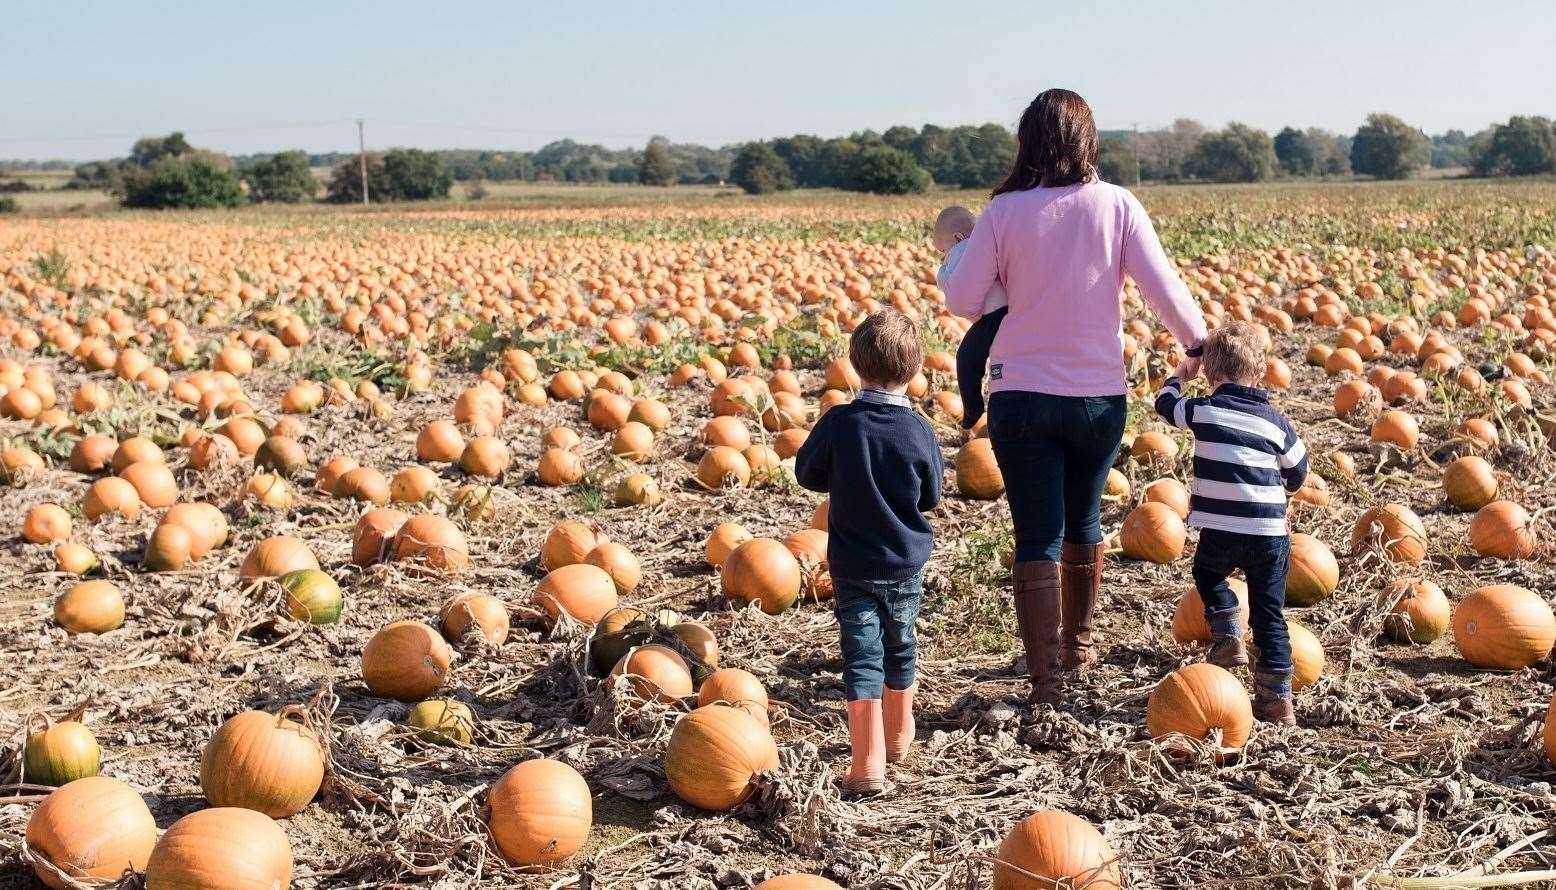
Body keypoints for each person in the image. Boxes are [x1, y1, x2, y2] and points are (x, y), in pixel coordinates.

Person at [940, 88, 1208, 706]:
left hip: (1022, 399)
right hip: (1096, 399)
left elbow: (961, 300)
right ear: (1088, 142)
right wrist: (1197, 345)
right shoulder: (1117, 205)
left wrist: (967, 254)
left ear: (1027, 143)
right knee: (1084, 522)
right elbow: (1161, 287)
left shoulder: (1004, 213)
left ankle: (1045, 681)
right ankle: (1078, 650)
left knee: (1036, 532)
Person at [794, 308, 944, 792]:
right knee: (901, 643)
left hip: (854, 565)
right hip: (904, 562)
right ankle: (901, 738)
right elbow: (932, 494)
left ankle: (868, 766)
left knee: (861, 656)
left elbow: (806, 473)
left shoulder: (840, 423)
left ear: (855, 365)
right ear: (916, 369)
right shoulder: (919, 430)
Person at [1153, 321, 1308, 724]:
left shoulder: (1202, 409)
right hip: (1269, 537)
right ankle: (1277, 701)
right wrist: (1283, 496)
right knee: (1269, 617)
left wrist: (1179, 375)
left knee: (1206, 574)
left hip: (1221, 531)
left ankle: (1227, 635)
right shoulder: (1275, 421)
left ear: (1210, 374)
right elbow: (1299, 469)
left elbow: (1164, 404)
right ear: (1259, 375)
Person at [935, 205, 1008, 431]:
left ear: (957, 237)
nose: (944, 257)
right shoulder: (989, 244)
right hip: (1007, 310)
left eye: (943, 251)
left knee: (966, 359)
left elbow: (953, 283)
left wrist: (941, 272)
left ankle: (973, 410)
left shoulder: (963, 249)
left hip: (993, 316)